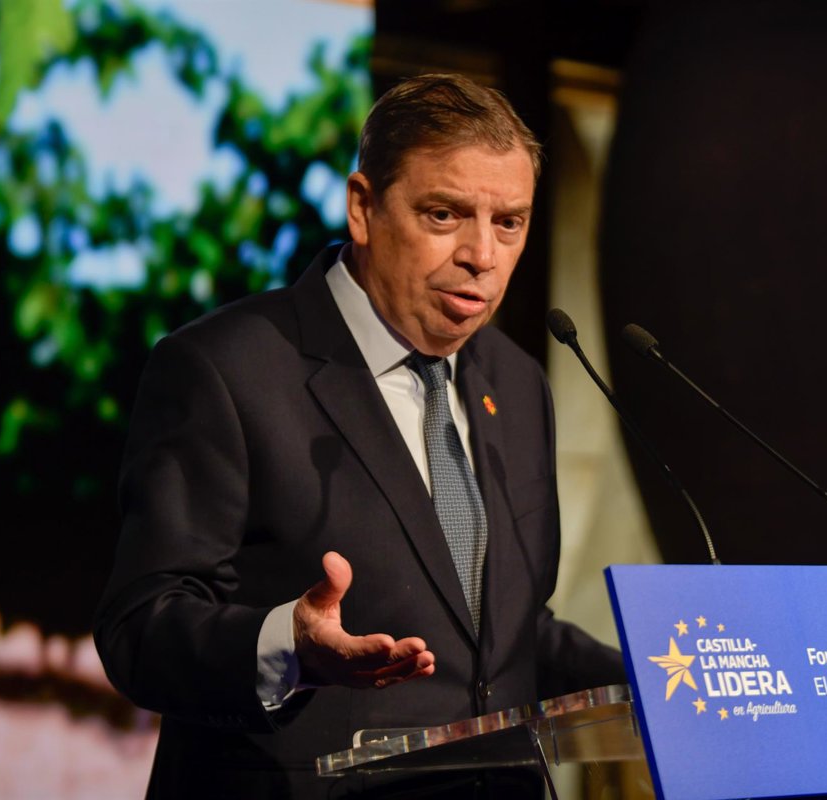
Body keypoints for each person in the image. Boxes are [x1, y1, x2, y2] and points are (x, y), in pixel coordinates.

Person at [94, 73, 626, 799]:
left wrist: (653, 685)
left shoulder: (517, 379)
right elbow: (141, 627)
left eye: (509, 222)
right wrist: (288, 646)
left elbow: (503, 629)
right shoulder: (225, 368)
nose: (483, 253)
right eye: (445, 214)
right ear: (363, 208)